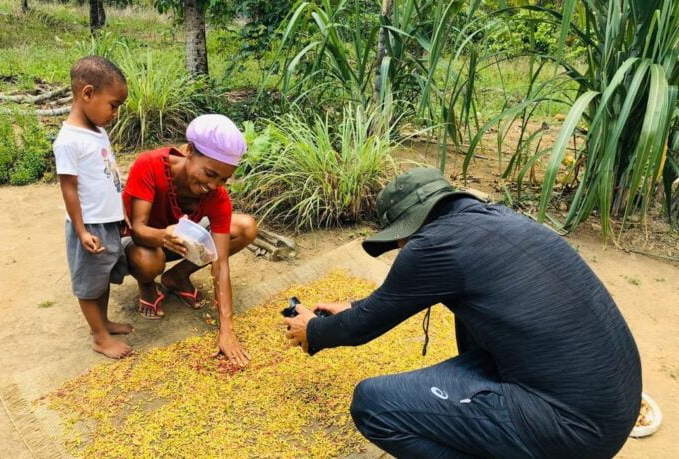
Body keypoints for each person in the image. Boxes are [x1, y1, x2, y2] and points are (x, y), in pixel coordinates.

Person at [283, 167, 642, 458]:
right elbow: (392, 301)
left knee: (374, 405)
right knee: (467, 312)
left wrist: (312, 331)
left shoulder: (432, 246)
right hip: (612, 405)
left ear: (407, 228)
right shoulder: (498, 220)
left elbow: (358, 329)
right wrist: (353, 306)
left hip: (573, 430)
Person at [123, 114, 258, 368]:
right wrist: (163, 236)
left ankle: (177, 277)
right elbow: (138, 229)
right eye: (210, 174)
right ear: (190, 151)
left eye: (222, 180)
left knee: (245, 228)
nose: (213, 185)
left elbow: (221, 264)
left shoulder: (216, 196)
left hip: (180, 239)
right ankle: (148, 283)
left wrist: (226, 330)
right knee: (150, 259)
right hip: (143, 241)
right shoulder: (149, 165)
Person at [53, 56, 132, 359]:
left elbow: (108, 176)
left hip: (108, 221)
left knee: (102, 276)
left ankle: (104, 322)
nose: (115, 112)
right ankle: (98, 336)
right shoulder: (68, 141)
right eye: (113, 105)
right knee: (88, 283)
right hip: (90, 225)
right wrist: (81, 230)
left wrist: (119, 213)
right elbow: (69, 188)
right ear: (87, 93)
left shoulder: (97, 131)